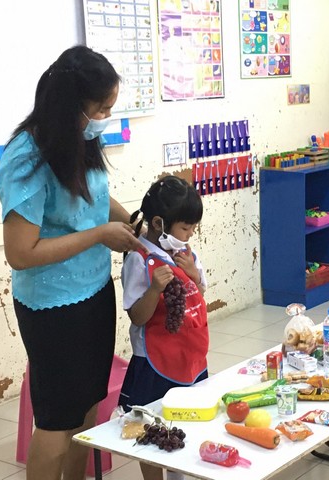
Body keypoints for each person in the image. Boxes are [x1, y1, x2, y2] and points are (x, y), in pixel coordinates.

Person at [0, 45, 147, 480]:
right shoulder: (26, 159)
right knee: (57, 421)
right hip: (52, 306)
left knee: (87, 412)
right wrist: (100, 235)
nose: (106, 117)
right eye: (101, 108)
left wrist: (134, 228)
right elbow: (21, 253)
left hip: (94, 291)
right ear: (71, 105)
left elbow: (94, 198)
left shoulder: (81, 138)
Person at [118, 175, 208, 480]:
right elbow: (137, 317)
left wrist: (194, 274)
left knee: (184, 420)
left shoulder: (185, 254)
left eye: (193, 227)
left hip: (188, 355)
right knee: (151, 427)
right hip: (154, 362)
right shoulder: (138, 260)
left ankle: (177, 475)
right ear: (159, 223)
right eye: (186, 227)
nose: (190, 234)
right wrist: (154, 289)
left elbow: (199, 295)